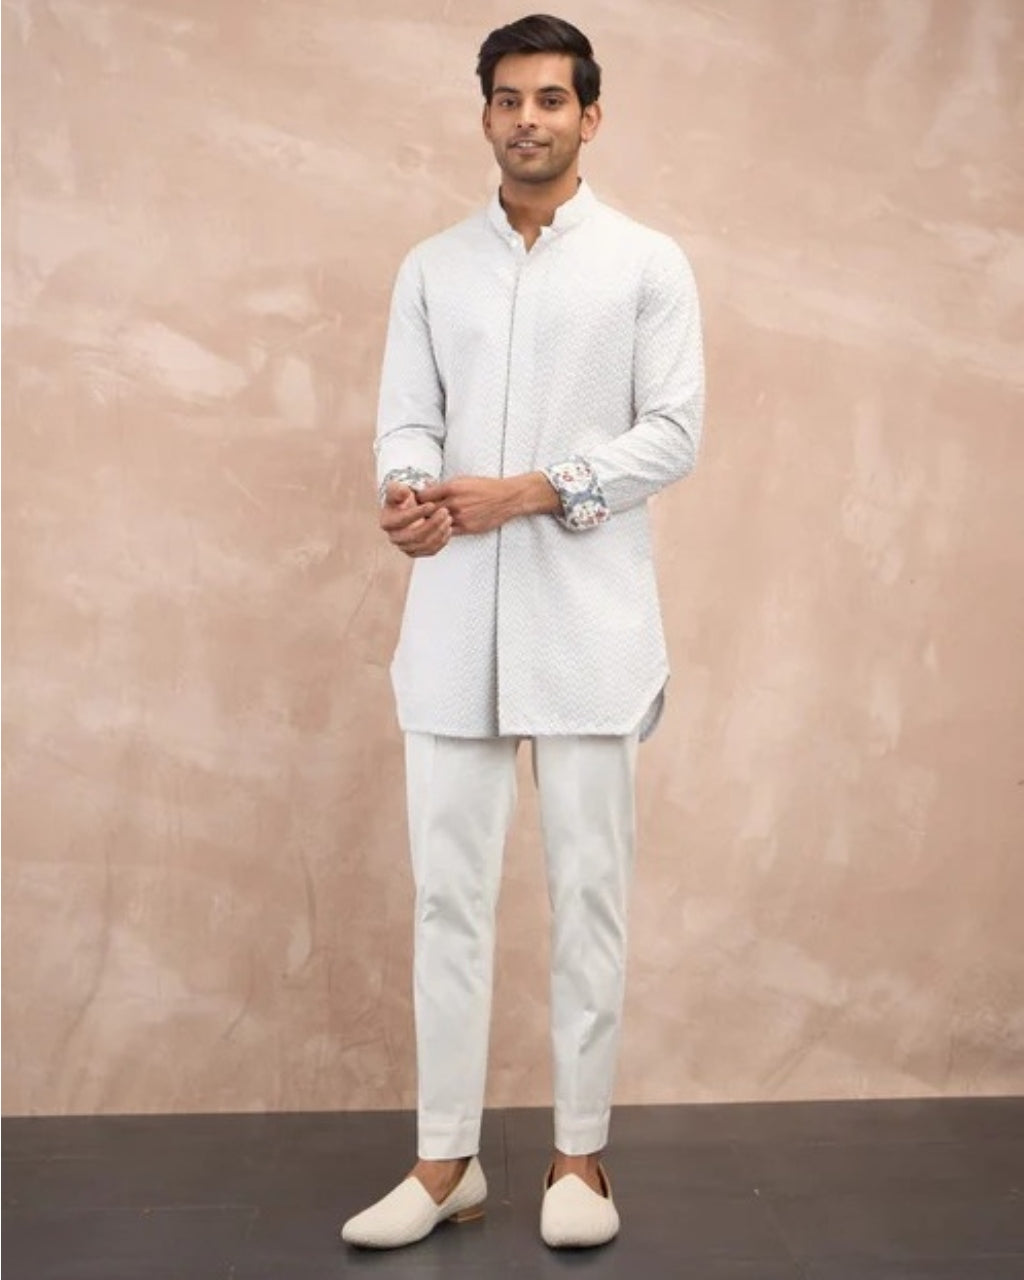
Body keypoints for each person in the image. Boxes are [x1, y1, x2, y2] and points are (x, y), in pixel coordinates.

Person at [341, 13, 704, 1251]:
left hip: (592, 628)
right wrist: (407, 494)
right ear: (485, 113)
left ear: (589, 116)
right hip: (452, 627)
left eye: (552, 99)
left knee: (589, 893)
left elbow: (673, 432)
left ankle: (579, 1159)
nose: (529, 118)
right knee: (447, 897)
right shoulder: (432, 268)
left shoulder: (647, 263)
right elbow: (406, 420)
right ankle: (445, 1161)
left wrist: (535, 489)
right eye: (508, 98)